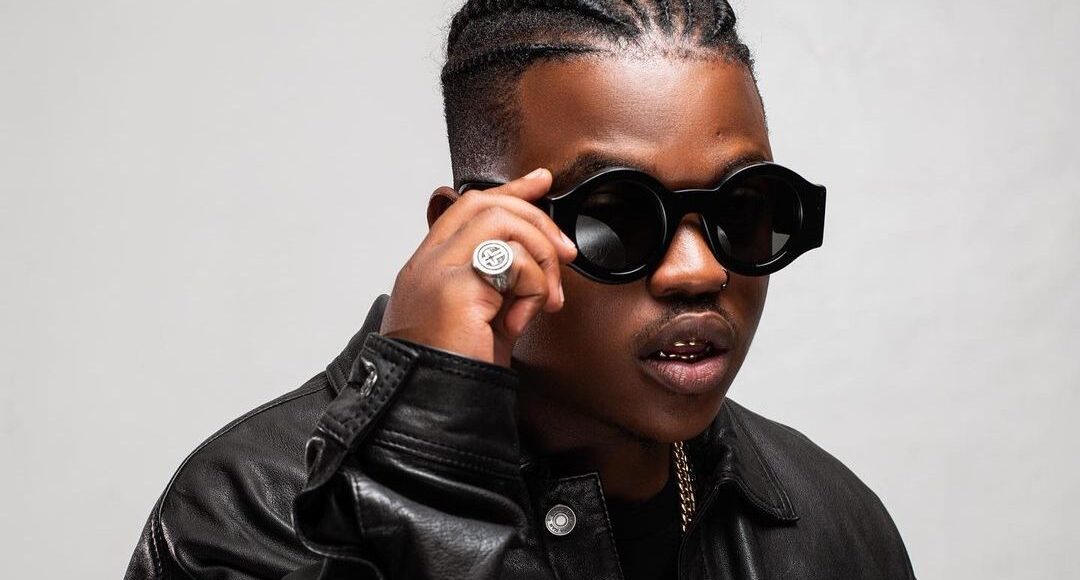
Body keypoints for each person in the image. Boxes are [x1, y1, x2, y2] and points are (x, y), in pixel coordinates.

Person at [126, 1, 915, 579]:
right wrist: (427, 476)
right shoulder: (254, 513)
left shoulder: (828, 523)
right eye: (616, 218)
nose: (699, 272)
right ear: (464, 233)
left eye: (744, 210)